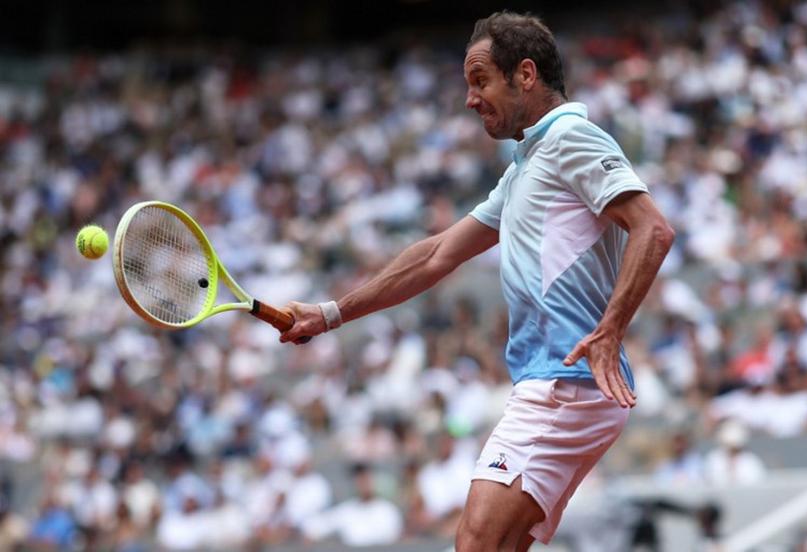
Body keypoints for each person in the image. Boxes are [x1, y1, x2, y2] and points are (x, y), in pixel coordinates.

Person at [279, 10, 674, 551]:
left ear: (526, 75)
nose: (470, 99)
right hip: (558, 385)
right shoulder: (523, 169)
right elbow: (437, 254)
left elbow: (653, 229)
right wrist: (331, 314)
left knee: (474, 546)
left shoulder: (572, 139)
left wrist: (609, 332)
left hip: (564, 384)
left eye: (481, 80)